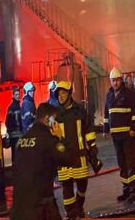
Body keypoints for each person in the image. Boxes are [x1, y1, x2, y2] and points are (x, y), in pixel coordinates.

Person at [10, 103, 70, 220]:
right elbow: (66, 158)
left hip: (19, 207)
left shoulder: (23, 139)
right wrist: (60, 138)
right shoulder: (47, 139)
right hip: (40, 207)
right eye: (54, 119)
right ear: (48, 119)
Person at [55, 80, 97, 219]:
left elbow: (88, 128)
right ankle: (71, 214)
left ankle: (79, 205)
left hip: (79, 155)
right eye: (58, 94)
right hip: (63, 158)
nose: (60, 96)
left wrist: (92, 146)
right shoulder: (54, 114)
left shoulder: (79, 110)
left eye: (63, 93)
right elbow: (50, 134)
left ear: (69, 94)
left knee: (82, 183)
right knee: (66, 188)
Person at [104, 67, 135, 204]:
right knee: (122, 163)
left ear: (121, 80)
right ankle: (126, 190)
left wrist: (133, 128)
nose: (115, 83)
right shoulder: (109, 95)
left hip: (127, 134)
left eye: (117, 80)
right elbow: (107, 114)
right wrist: (105, 129)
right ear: (110, 81)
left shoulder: (129, 93)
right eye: (113, 80)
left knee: (131, 163)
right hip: (116, 135)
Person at [6, 87, 23, 163]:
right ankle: (16, 166)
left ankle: (15, 166)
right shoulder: (12, 107)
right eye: (16, 94)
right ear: (12, 95)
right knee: (16, 152)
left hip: (15, 133)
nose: (18, 96)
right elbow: (8, 121)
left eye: (18, 94)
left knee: (16, 152)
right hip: (15, 134)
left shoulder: (17, 106)